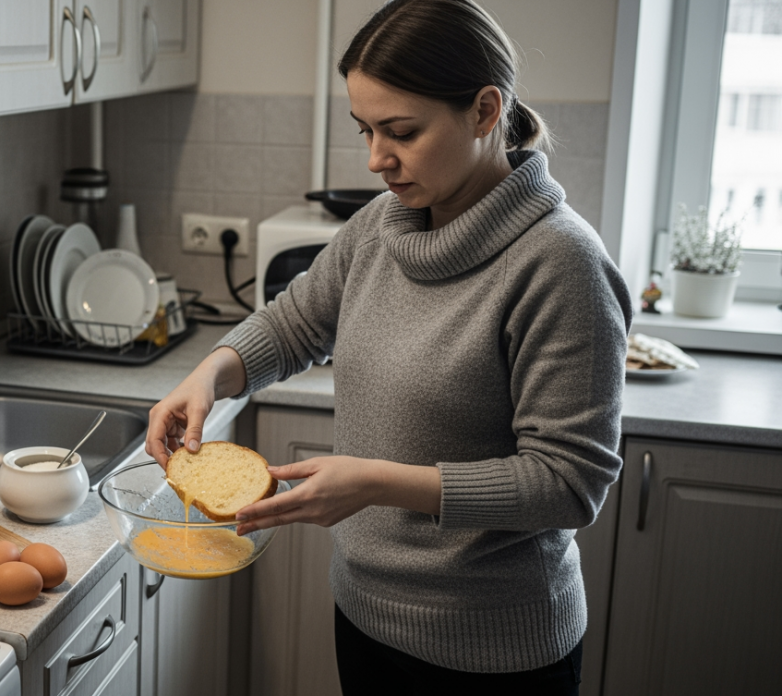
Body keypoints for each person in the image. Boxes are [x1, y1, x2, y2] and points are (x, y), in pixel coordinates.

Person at [144, 1, 631, 693]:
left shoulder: (561, 264)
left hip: (494, 652)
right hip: (367, 617)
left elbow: (567, 483)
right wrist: (210, 374)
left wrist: (374, 482)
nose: (377, 159)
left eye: (401, 131)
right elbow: (297, 323)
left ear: (486, 111)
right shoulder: (384, 224)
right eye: (366, 129)